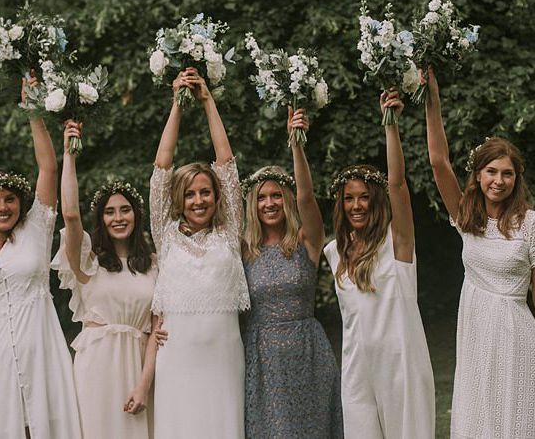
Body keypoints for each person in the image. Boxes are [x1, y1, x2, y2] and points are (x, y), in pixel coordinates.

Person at [0, 81, 81, 439]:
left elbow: (48, 169)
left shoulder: (35, 232)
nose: (2, 207)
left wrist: (33, 112)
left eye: (9, 199)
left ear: (20, 202)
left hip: (42, 354)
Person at [424, 68, 535, 438]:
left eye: (507, 174)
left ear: (516, 180)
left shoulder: (531, 223)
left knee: (514, 417)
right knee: (478, 416)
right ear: (478, 175)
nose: (498, 181)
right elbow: (439, 162)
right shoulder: (465, 217)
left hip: (516, 332)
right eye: (491, 172)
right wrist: (432, 99)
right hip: (474, 330)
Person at [323, 89, 435, 439]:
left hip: (400, 361)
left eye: (365, 198)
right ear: (341, 205)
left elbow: (398, 185)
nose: (357, 205)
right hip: (357, 368)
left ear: (376, 202)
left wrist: (391, 124)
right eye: (349, 199)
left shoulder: (396, 242)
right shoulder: (334, 252)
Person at [150, 67, 249, 439]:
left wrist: (207, 101)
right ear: (179, 200)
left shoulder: (229, 233)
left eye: (205, 192)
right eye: (190, 194)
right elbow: (162, 169)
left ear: (216, 197)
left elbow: (227, 166)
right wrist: (177, 104)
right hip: (177, 360)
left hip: (223, 359)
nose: (198, 200)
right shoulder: (166, 234)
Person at [51, 120, 159, 438]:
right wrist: (69, 152)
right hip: (97, 365)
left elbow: (156, 330)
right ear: (101, 219)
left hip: (138, 368)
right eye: (109, 212)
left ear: (136, 216)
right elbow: (70, 213)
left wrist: (144, 385)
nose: (118, 218)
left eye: (125, 210)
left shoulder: (153, 265)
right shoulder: (88, 261)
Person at [241, 107, 343, 439]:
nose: (269, 203)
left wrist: (296, 145)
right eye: (261, 198)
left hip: (308, 350)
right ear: (252, 206)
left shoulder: (306, 242)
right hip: (262, 355)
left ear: (286, 200)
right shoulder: (244, 249)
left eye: (275, 196)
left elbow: (307, 197)